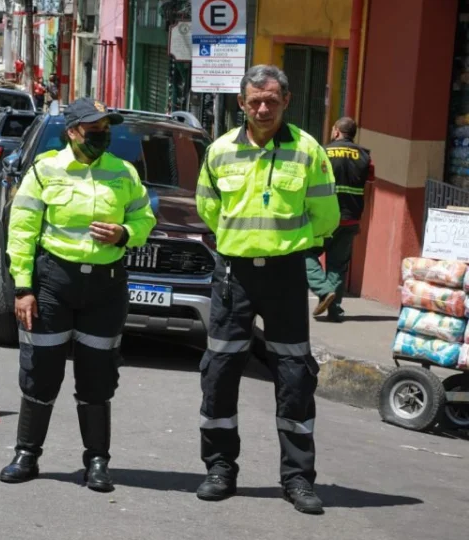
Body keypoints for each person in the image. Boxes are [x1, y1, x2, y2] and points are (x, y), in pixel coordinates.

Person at [194, 65, 340, 515]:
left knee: (294, 377)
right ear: (241, 103)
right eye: (254, 101)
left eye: (271, 101)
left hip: (285, 277)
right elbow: (207, 207)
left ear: (286, 101)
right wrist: (241, 241)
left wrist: (287, 247)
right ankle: (220, 469)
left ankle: (297, 479)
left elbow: (326, 216)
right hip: (233, 276)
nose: (262, 109)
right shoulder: (219, 151)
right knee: (220, 372)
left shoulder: (308, 150)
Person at [0, 97, 156, 492]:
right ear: (72, 132)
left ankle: (98, 462)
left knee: (97, 377)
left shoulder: (124, 172)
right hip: (54, 284)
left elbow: (145, 218)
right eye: (93, 129)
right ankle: (27, 455)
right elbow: (22, 231)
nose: (102, 135)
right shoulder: (45, 170)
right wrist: (23, 288)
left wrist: (125, 233)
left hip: (105, 288)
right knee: (41, 371)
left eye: (106, 128)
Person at [306, 117, 372, 322]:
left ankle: (323, 290)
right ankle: (334, 310)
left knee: (303, 253)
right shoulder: (365, 156)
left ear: (336, 131)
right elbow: (370, 188)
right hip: (350, 218)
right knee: (338, 264)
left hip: (324, 217)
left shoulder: (322, 152)